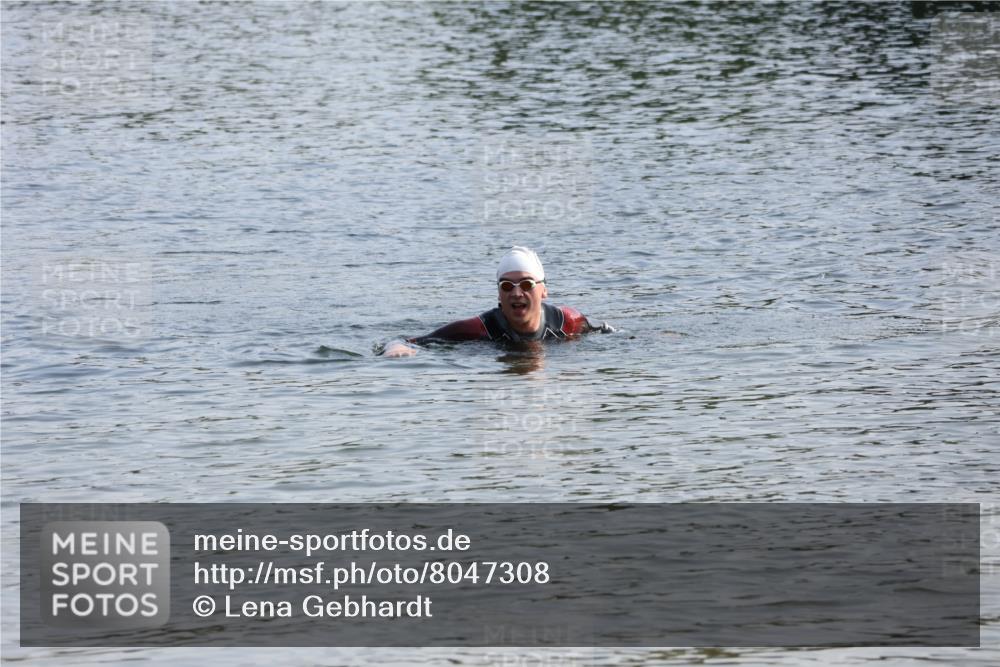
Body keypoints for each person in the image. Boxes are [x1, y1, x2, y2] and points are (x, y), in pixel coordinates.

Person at [382, 246, 613, 357]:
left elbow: (604, 329)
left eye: (526, 285)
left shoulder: (566, 322)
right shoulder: (479, 328)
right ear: (498, 294)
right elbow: (408, 341)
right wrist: (396, 347)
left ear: (544, 290)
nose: (516, 293)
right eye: (506, 286)